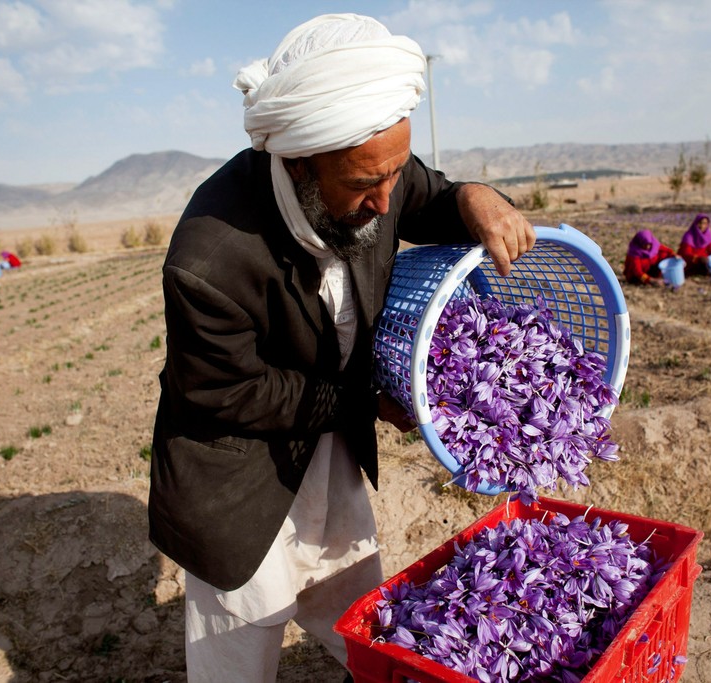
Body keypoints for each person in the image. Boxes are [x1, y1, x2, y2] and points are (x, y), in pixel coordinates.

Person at [147, 14, 535, 682]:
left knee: (360, 618)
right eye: (363, 186)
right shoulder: (209, 259)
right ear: (297, 161)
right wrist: (362, 398)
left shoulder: (372, 168)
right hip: (238, 474)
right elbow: (228, 391)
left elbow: (428, 195)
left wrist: (474, 198)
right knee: (241, 647)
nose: (386, 203)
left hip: (327, 446)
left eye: (392, 175)